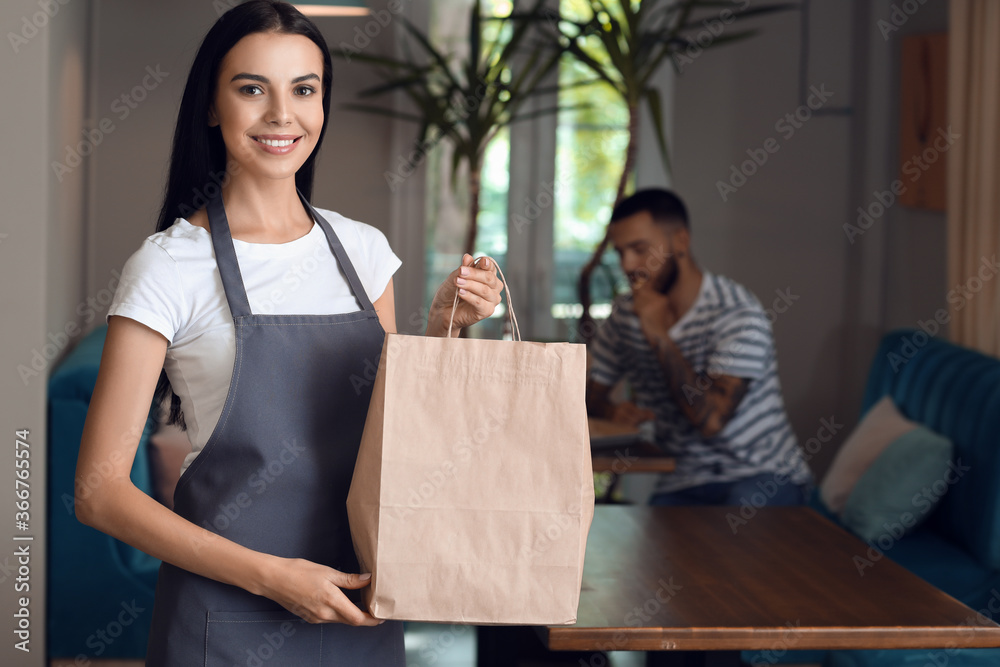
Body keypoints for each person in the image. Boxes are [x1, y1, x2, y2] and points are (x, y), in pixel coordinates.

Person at [73, 2, 502, 664]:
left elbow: (391, 438)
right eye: (252, 89)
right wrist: (274, 576)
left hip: (359, 612)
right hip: (224, 621)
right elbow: (98, 492)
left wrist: (444, 327)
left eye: (304, 89)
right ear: (213, 108)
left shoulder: (364, 252)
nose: (283, 115)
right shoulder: (169, 264)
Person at [586, 188, 812, 506]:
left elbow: (710, 421)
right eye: (620, 252)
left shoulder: (736, 312)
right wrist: (610, 410)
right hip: (680, 478)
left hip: (762, 475)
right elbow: (585, 397)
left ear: (680, 240)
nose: (627, 264)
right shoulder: (626, 314)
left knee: (730, 538)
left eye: (639, 249)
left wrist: (658, 333)